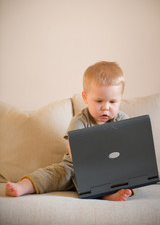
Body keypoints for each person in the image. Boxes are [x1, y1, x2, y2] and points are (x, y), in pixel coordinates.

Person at [5, 61, 134, 201]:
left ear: (120, 99)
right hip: (75, 166)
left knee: (130, 175)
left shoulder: (122, 120)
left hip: (109, 168)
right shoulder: (80, 120)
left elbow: (129, 149)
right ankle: (23, 186)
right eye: (99, 101)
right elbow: (75, 152)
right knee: (52, 174)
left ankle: (108, 192)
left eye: (112, 102)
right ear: (85, 97)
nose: (106, 107)